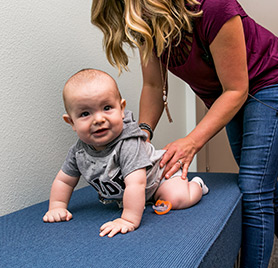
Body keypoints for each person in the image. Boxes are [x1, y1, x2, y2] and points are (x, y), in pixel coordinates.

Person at [90, 0, 278, 267]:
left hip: (272, 82)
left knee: (254, 187)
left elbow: (237, 88)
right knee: (263, 184)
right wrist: (141, 136)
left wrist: (191, 141)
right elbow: (153, 86)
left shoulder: (210, 1)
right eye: (123, 0)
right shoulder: (145, 19)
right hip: (227, 94)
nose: (133, 9)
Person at [43, 68, 208, 238]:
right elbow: (64, 181)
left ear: (121, 109)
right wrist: (57, 206)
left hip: (160, 179)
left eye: (107, 108)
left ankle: (197, 186)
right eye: (85, 113)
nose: (99, 119)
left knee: (178, 198)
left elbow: (136, 184)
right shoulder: (78, 151)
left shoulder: (128, 143)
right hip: (134, 193)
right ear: (71, 121)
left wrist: (128, 219)